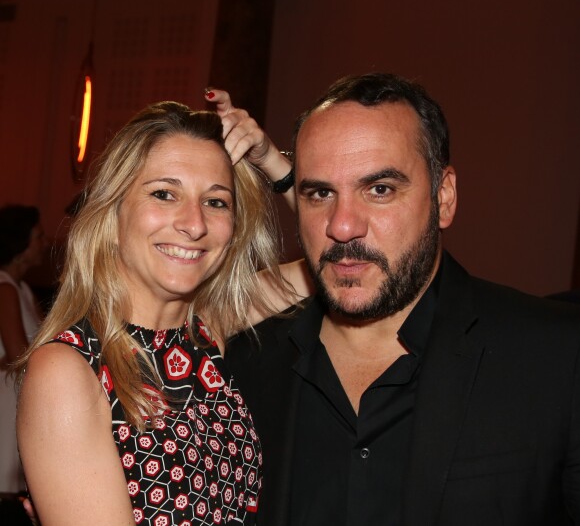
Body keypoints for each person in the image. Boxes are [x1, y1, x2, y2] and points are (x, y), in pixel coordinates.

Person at [212, 74, 580, 525]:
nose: (343, 226)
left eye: (380, 190)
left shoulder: (556, 360)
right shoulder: (243, 367)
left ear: (443, 198)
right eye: (321, 193)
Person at [14, 101, 304, 526]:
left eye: (216, 202)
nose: (194, 223)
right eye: (164, 194)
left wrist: (273, 164)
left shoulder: (207, 330)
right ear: (113, 214)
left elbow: (335, 256)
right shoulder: (68, 372)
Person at [0, 205, 45, 494]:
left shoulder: (24, 289)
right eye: (38, 237)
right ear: (20, 244)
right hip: (4, 396)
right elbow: (18, 351)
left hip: (17, 393)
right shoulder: (4, 288)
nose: (45, 243)